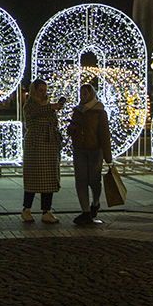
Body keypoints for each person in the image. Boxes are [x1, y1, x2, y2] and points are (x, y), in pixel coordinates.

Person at [21, 79, 64, 224]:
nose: (43, 93)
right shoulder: (30, 105)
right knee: (33, 178)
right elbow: (33, 114)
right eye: (40, 90)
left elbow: (54, 123)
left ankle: (46, 210)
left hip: (50, 146)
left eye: (45, 90)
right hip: (35, 147)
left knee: (49, 180)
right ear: (34, 91)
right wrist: (51, 108)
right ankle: (26, 209)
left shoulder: (48, 106)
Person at [68, 84, 112, 225]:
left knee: (94, 181)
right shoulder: (77, 111)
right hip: (80, 150)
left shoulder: (99, 112)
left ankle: (95, 202)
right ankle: (85, 212)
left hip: (95, 151)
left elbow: (104, 135)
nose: (83, 96)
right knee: (80, 181)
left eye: (85, 93)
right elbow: (70, 131)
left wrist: (108, 157)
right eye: (81, 93)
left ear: (91, 94)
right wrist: (71, 130)